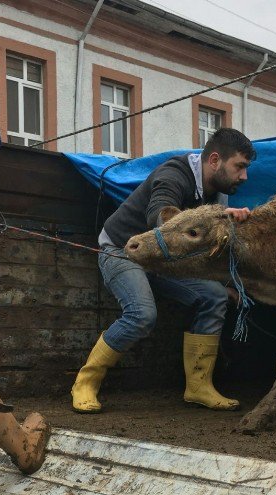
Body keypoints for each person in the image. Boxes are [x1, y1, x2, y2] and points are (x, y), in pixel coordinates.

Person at [71, 127, 255, 413]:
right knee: (142, 315)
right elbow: (160, 216)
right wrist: (213, 217)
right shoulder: (174, 174)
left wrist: (233, 283)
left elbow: (210, 252)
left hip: (164, 263)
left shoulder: (218, 195)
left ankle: (199, 387)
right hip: (122, 251)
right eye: (240, 167)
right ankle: (86, 381)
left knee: (215, 297)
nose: (244, 176)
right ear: (215, 160)